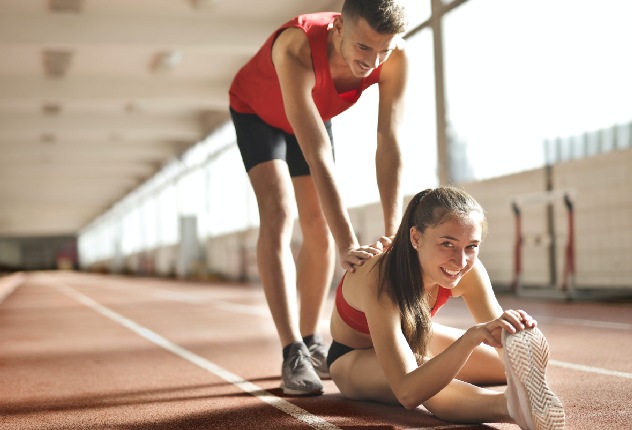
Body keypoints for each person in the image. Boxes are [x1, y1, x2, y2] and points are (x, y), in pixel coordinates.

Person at [228, 1, 409, 395]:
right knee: (278, 214)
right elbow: (317, 154)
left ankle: (312, 341)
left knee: (319, 228)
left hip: (312, 106)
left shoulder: (394, 58)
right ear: (339, 28)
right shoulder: (294, 47)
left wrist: (394, 231)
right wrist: (350, 245)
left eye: (383, 51)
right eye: (364, 48)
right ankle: (291, 349)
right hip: (257, 111)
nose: (372, 62)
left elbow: (389, 143)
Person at [327, 186, 566, 429]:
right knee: (422, 379)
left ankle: (524, 397)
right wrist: (469, 340)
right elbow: (407, 392)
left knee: (503, 362)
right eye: (447, 244)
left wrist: (509, 329)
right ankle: (510, 407)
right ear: (416, 238)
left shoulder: (469, 272)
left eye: (471, 246)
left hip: (413, 335)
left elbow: (499, 341)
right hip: (352, 357)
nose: (460, 261)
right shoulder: (382, 278)